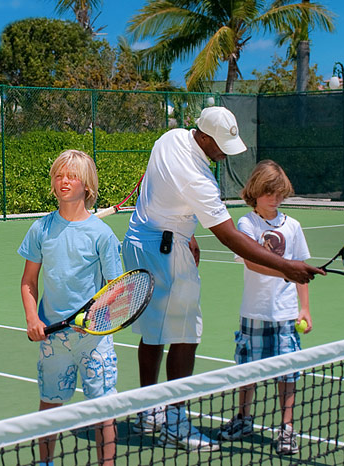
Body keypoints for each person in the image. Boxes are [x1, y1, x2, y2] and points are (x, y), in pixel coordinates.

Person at [122, 107, 323, 451]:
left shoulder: (169, 139)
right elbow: (230, 236)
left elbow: (160, 188)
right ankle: (176, 421)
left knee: (154, 333)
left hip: (140, 240)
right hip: (166, 253)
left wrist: (186, 229)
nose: (223, 152)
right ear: (203, 136)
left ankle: (147, 410)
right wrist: (286, 267)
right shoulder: (199, 179)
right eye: (220, 145)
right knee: (186, 335)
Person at [18, 150, 122, 466]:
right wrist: (32, 318)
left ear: (87, 185)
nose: (65, 181)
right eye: (60, 175)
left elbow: (116, 289)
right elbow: (28, 283)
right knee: (49, 404)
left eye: (72, 175)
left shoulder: (102, 234)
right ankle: (45, 462)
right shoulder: (40, 229)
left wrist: (95, 318)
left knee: (104, 410)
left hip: (94, 338)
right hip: (53, 339)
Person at [215, 160, 311, 455]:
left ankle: (287, 428)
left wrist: (305, 309)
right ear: (255, 192)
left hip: (285, 315)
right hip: (253, 313)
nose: (274, 198)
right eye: (268, 192)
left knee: (288, 374)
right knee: (248, 371)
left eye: (279, 192)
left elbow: (301, 271)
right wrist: (285, 271)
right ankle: (244, 418)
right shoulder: (247, 224)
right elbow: (251, 261)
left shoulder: (293, 226)